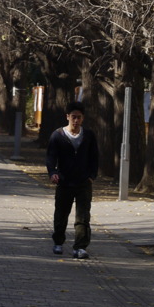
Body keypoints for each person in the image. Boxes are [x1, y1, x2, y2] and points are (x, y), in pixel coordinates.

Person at [46, 101, 98, 259]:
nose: (76, 120)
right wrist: (53, 172)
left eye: (79, 117)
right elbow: (51, 157)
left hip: (83, 182)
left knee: (83, 216)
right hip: (64, 182)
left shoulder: (88, 135)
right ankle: (58, 242)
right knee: (61, 214)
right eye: (73, 117)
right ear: (67, 117)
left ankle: (80, 247)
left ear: (83, 118)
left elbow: (94, 157)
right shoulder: (58, 135)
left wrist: (91, 176)